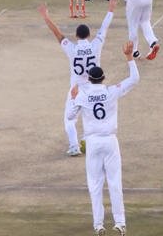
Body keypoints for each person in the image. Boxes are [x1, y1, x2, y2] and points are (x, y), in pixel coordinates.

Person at [66, 41, 139, 236]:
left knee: (95, 185)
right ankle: (120, 224)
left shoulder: (82, 95)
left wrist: (74, 98)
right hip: (110, 141)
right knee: (115, 182)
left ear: (89, 79)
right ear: (104, 78)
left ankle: (99, 225)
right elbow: (134, 78)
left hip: (92, 143)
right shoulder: (111, 91)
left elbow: (70, 117)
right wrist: (129, 56)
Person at [37, 0, 117, 156]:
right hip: (93, 89)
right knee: (90, 117)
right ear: (89, 35)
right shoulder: (96, 45)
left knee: (69, 119)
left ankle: (74, 146)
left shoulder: (71, 48)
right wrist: (111, 9)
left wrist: (46, 17)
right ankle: (87, 140)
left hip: (76, 90)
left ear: (76, 36)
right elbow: (104, 27)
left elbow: (56, 32)